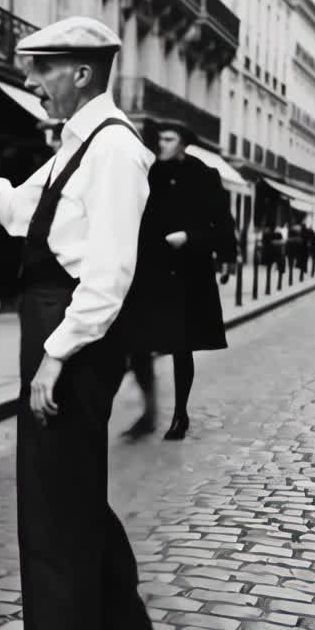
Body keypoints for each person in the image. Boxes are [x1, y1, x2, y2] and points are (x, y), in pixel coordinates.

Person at [0, 15, 157, 630]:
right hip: (57, 333)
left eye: (43, 69)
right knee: (67, 499)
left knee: (57, 512)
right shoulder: (77, 146)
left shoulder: (113, 150)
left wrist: (55, 356)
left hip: (73, 344)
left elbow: (109, 273)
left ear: (81, 74)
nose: (32, 82)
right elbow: (16, 210)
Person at [120, 120, 237, 442]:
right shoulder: (149, 173)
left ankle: (180, 415)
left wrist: (190, 237)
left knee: (181, 347)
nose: (162, 144)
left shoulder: (204, 176)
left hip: (188, 274)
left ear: (184, 144)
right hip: (151, 271)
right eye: (160, 139)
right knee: (136, 342)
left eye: (169, 139)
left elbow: (222, 228)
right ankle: (148, 412)